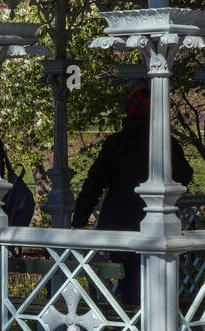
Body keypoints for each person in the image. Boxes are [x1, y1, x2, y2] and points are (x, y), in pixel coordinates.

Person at [71, 87, 194, 305]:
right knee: (155, 280)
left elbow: (94, 184)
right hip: (159, 225)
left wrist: (79, 220)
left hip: (118, 224)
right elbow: (185, 175)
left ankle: (134, 324)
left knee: (129, 280)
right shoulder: (167, 144)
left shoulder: (116, 143)